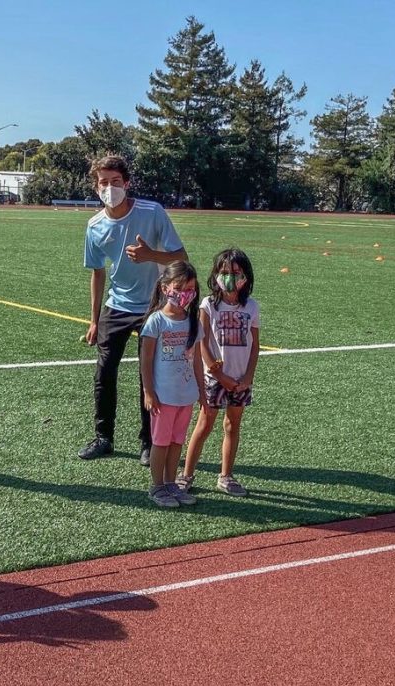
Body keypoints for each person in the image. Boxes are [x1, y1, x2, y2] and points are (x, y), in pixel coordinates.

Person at [79, 155, 188, 465]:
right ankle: (104, 437)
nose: (110, 188)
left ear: (126, 183)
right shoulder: (94, 226)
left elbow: (181, 257)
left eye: (116, 182)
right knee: (104, 371)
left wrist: (150, 255)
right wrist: (93, 319)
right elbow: (97, 273)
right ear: (95, 187)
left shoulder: (152, 212)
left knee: (149, 374)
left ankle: (148, 441)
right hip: (116, 306)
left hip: (153, 306)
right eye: (104, 183)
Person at [178, 248, 260, 496]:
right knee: (204, 424)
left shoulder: (252, 307)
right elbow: (202, 341)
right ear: (215, 275)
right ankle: (186, 475)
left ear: (246, 276)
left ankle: (226, 476)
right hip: (214, 378)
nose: (230, 277)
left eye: (236, 272)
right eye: (224, 272)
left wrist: (247, 377)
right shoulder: (209, 305)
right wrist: (216, 371)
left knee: (233, 425)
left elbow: (255, 345)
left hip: (240, 379)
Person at [140, 260, 205, 508]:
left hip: (185, 395)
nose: (185, 294)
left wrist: (201, 391)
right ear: (166, 287)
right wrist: (149, 391)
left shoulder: (192, 322)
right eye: (180, 287)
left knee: (177, 441)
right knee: (161, 442)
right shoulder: (156, 321)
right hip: (163, 397)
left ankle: (170, 483)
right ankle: (157, 486)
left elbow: (197, 361)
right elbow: (145, 360)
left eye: (190, 288)